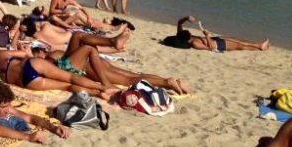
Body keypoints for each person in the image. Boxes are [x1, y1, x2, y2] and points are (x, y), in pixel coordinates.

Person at [51, 32, 191, 94]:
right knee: (131, 77)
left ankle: (167, 82)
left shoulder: (50, 56)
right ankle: (167, 82)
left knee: (130, 78)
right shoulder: (51, 55)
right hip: (85, 65)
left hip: (85, 65)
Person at [0, 48, 119, 100]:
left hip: (28, 82)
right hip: (31, 65)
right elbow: (24, 54)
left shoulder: (1, 75)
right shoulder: (1, 55)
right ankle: (103, 88)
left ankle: (97, 94)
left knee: (67, 86)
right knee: (71, 77)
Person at [164, 16, 270, 52]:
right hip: (218, 45)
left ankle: (258, 44)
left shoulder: (180, 35)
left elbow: (179, 22)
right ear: (188, 39)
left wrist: (187, 18)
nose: (191, 34)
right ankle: (259, 47)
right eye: (190, 35)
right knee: (239, 45)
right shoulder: (195, 44)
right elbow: (210, 48)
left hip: (216, 39)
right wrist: (206, 35)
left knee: (236, 39)